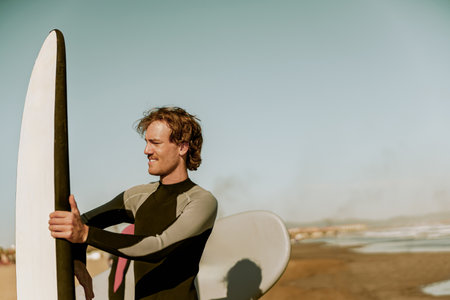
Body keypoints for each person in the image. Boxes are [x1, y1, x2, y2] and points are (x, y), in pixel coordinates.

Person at [48, 107, 218, 300]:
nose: (147, 151)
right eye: (146, 143)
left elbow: (158, 246)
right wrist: (79, 261)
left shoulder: (201, 201)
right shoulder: (138, 196)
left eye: (155, 143)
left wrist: (85, 235)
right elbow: (83, 222)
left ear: (182, 147)